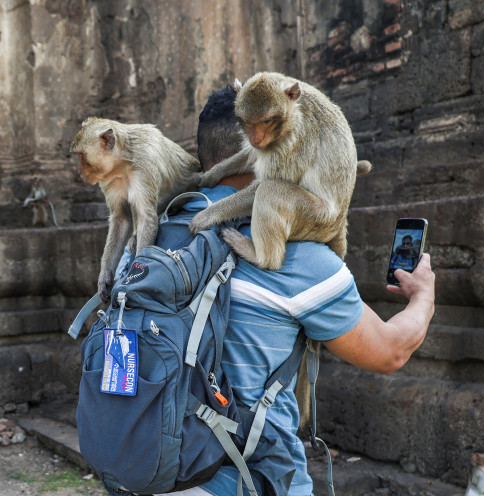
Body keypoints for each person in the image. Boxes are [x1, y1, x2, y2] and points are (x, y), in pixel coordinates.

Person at [126, 84, 434, 495]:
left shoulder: (147, 239)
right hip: (248, 482)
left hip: (147, 470)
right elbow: (390, 351)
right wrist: (424, 297)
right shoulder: (300, 258)